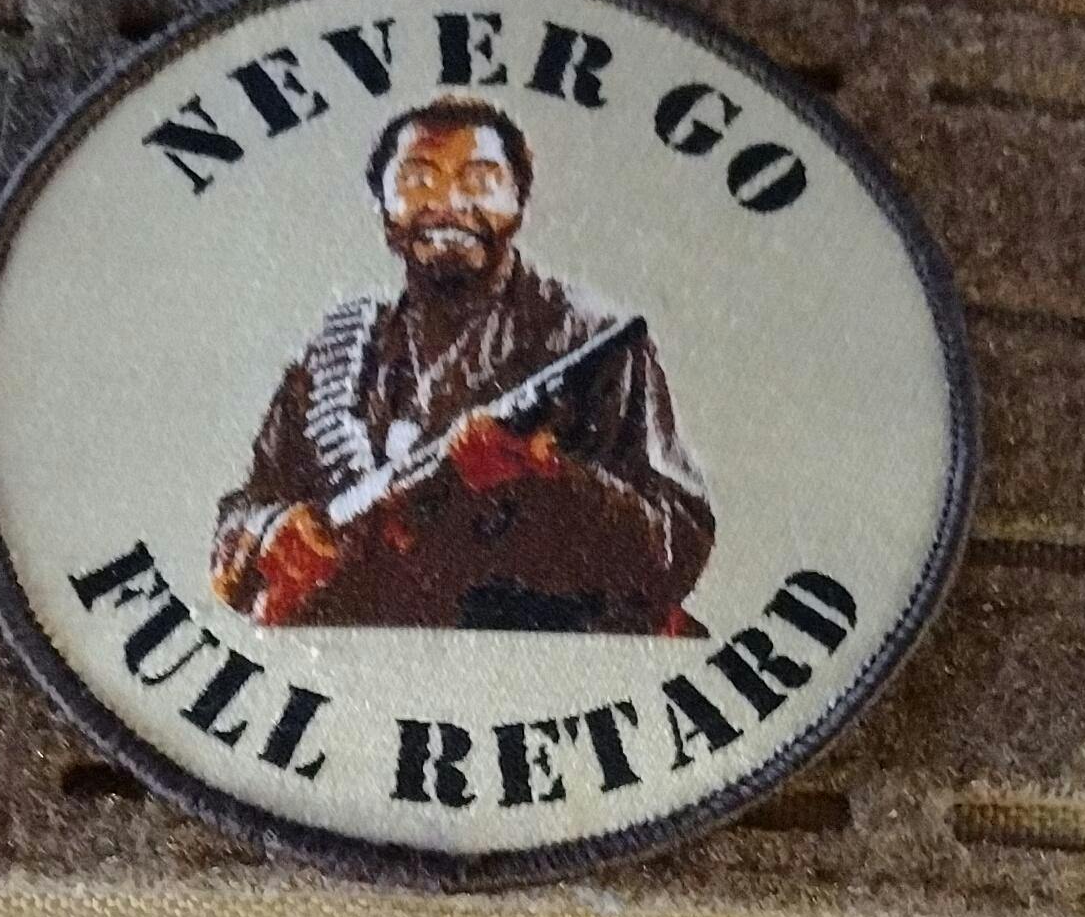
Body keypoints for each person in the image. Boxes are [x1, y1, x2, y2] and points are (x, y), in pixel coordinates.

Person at [211, 95, 716, 634]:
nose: (449, 203)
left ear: (519, 203)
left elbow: (679, 546)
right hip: (364, 654)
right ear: (383, 207)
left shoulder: (594, 340)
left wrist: (548, 481)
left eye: (480, 179)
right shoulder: (341, 346)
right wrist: (271, 531)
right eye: (418, 179)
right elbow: (246, 506)